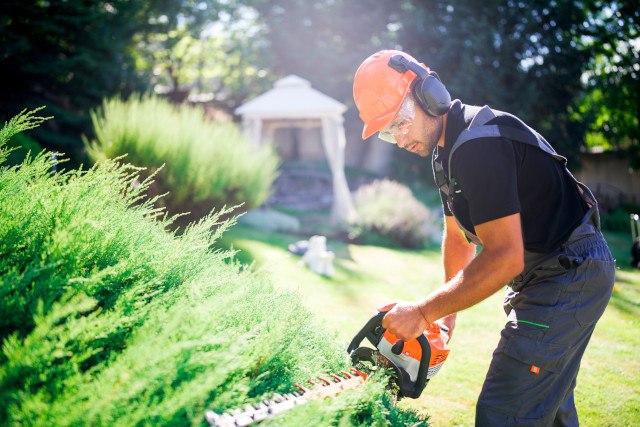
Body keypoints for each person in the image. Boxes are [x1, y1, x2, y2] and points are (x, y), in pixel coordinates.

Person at [352, 49, 616, 426]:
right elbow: (458, 238)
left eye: (401, 121)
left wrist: (424, 311)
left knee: (504, 412)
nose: (399, 137)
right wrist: (446, 318)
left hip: (569, 272)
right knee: (548, 407)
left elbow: (504, 257)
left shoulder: (479, 145)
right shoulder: (446, 153)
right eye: (387, 132)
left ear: (431, 95)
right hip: (550, 272)